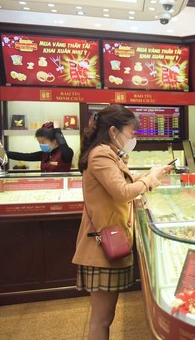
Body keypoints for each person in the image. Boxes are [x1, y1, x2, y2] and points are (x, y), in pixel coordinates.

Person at [72, 104, 171, 340]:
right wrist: (151, 181)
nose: (133, 138)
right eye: (131, 133)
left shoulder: (108, 153)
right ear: (113, 131)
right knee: (102, 319)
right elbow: (122, 192)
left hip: (110, 239)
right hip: (101, 246)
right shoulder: (101, 154)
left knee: (106, 317)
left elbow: (123, 180)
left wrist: (149, 174)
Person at [0, 122, 74, 171]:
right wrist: (0, 151)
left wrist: (58, 132)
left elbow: (64, 148)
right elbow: (24, 156)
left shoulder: (66, 153)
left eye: (43, 142)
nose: (41, 144)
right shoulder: (45, 154)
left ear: (55, 140)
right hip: (47, 186)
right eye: (39, 142)